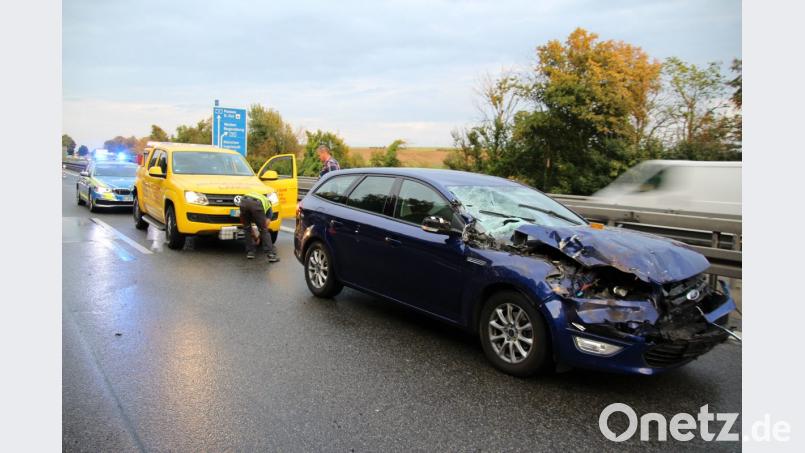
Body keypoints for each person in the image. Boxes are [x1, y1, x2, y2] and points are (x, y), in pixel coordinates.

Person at [239, 192, 279, 262]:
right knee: (264, 230)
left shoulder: (259, 197)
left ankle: (250, 252)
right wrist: (258, 237)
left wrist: (256, 237)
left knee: (247, 228)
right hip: (256, 204)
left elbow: (247, 226)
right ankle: (271, 255)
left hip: (243, 201)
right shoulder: (269, 208)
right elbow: (264, 227)